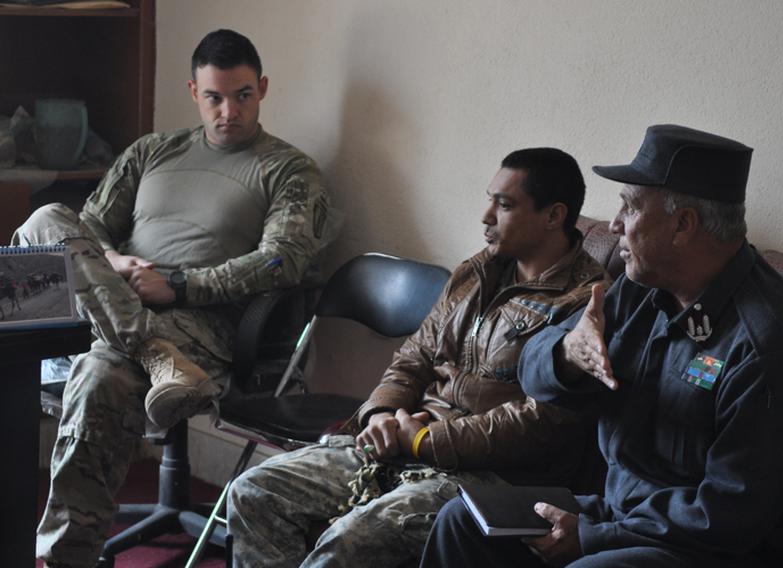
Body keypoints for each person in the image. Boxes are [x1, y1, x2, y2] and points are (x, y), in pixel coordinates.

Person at [421, 125, 783, 568]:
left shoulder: (770, 347)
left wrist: (594, 537)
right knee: (462, 521)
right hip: (635, 515)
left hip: (738, 547)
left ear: (683, 225)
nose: (614, 225)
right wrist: (568, 353)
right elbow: (535, 376)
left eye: (631, 208)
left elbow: (732, 516)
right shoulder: (642, 289)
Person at [17, 29, 336, 568]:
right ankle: (150, 351)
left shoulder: (288, 170)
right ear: (194, 91)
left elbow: (283, 260)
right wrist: (116, 263)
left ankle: (68, 557)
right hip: (120, 304)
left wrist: (182, 284)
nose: (228, 111)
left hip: (202, 324)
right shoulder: (153, 151)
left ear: (262, 89)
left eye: (242, 96)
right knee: (45, 218)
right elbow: (88, 226)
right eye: (214, 96)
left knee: (102, 373)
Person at [228, 147, 607, 567]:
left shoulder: (585, 303)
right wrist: (381, 415)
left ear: (554, 216)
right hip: (408, 444)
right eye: (490, 200)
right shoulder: (476, 272)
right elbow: (415, 355)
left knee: (348, 542)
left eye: (504, 205)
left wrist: (426, 440)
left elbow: (543, 421)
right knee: (254, 489)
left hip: (490, 475)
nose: (486, 216)